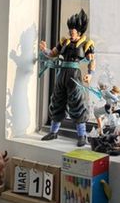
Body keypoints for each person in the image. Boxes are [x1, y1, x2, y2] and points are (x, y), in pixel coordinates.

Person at [39, 9, 96, 146]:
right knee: (57, 101)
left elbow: (92, 61)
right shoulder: (64, 41)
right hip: (62, 73)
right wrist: (44, 50)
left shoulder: (86, 44)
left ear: (79, 31)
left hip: (74, 74)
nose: (71, 32)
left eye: (73, 30)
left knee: (77, 103)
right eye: (70, 29)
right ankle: (53, 132)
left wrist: (90, 74)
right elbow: (53, 53)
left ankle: (82, 135)